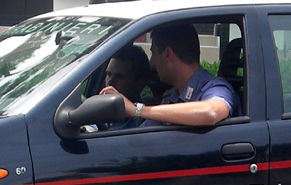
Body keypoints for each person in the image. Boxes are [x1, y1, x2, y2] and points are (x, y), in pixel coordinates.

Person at [101, 23, 240, 127]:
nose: (152, 63)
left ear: (168, 55)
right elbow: (140, 136)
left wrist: (136, 110)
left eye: (153, 54)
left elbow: (211, 112)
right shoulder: (172, 97)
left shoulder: (216, 88)